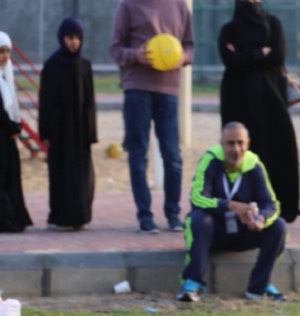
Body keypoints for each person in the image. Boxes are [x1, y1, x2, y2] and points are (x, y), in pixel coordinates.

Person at [110, 0, 195, 234]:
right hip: (137, 89)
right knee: (138, 154)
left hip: (169, 90)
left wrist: (183, 57)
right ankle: (145, 216)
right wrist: (136, 55)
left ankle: (173, 214)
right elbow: (115, 49)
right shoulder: (128, 5)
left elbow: (190, 47)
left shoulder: (180, 6)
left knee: (172, 155)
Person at [178, 122, 288, 303]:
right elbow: (197, 198)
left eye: (240, 143)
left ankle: (259, 286)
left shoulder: (254, 165)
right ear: (221, 144)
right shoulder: (210, 160)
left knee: (279, 226)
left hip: (244, 231)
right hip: (214, 232)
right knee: (197, 219)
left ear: (248, 144)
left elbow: (271, 204)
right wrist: (229, 205)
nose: (235, 149)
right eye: (230, 143)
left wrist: (261, 219)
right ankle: (192, 282)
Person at [218, 0, 300, 223]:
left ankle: (279, 205)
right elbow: (228, 60)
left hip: (270, 99)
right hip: (238, 100)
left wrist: (243, 55)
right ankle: (242, 205)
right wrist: (259, 53)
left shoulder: (273, 24)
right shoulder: (229, 29)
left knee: (278, 147)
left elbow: (278, 56)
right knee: (240, 148)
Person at [38, 18, 97, 232]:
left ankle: (81, 215)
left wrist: (91, 133)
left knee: (82, 174)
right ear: (62, 38)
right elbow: (45, 101)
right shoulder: (52, 65)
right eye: (70, 37)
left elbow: (90, 102)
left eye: (77, 38)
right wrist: (45, 133)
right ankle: (61, 217)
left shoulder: (84, 65)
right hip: (59, 130)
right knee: (60, 172)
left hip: (80, 131)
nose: (73, 42)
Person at [0, 31, 32, 234]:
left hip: (7, 137)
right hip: (3, 134)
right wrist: (13, 127)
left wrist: (14, 126)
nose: (5, 56)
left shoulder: (5, 76)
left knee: (10, 176)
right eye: (1, 51)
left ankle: (14, 217)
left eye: (7, 51)